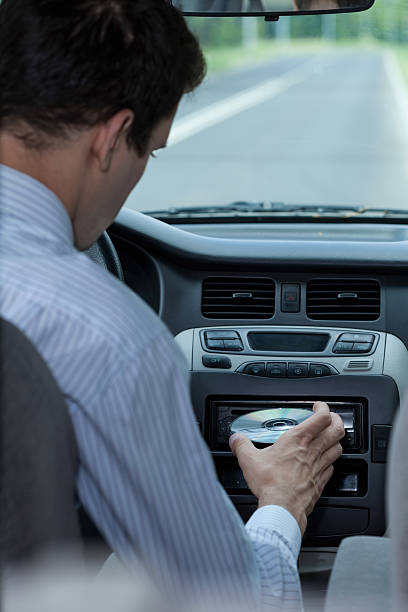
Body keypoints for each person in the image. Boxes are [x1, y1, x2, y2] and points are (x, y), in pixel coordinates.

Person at [0, 0, 344, 608]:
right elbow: (229, 599)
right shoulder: (104, 335)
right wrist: (280, 506)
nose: (140, 172)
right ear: (110, 140)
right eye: (149, 151)